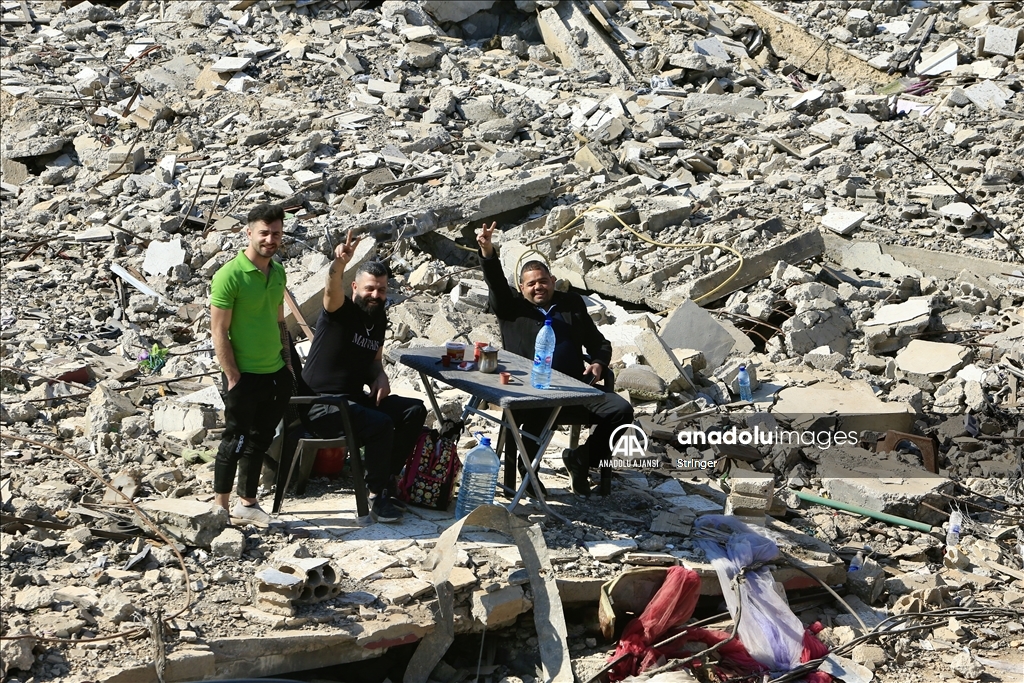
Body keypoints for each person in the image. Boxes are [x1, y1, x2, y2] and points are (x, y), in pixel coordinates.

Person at [476, 222, 634, 496]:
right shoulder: (511, 307)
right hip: (530, 393)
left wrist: (598, 362)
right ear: (521, 287)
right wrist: (488, 251)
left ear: (552, 280)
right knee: (537, 417)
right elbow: (496, 282)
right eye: (531, 283)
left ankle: (582, 459)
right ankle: (528, 470)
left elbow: (599, 343)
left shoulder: (570, 303)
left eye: (543, 281)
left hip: (573, 389)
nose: (539, 287)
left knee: (621, 411)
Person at [301, 230, 427, 523]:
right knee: (380, 424)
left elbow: (374, 360)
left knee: (413, 410)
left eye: (381, 290)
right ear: (355, 287)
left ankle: (387, 480)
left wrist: (380, 375)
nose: (375, 295)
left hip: (353, 399)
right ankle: (375, 493)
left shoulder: (378, 317)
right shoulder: (339, 311)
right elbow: (331, 288)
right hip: (320, 404)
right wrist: (339, 265)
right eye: (370, 289)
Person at [210, 203, 293, 525]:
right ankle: (220, 507)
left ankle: (247, 502)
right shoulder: (229, 276)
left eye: (276, 234)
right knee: (235, 439)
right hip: (243, 375)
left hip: (274, 373)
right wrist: (232, 376)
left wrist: (287, 368)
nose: (270, 239)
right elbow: (219, 330)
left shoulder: (278, 272)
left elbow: (280, 323)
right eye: (264, 233)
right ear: (249, 233)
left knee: (260, 439)